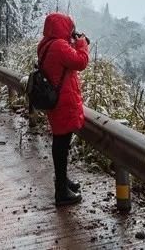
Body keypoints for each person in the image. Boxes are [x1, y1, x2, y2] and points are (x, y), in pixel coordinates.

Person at [37, 12, 89, 206]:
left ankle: (62, 181)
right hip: (63, 102)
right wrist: (82, 43)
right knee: (61, 143)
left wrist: (73, 43)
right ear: (63, 27)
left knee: (60, 142)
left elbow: (63, 61)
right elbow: (80, 62)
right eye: (70, 28)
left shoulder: (46, 44)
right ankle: (61, 191)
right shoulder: (59, 46)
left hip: (55, 100)